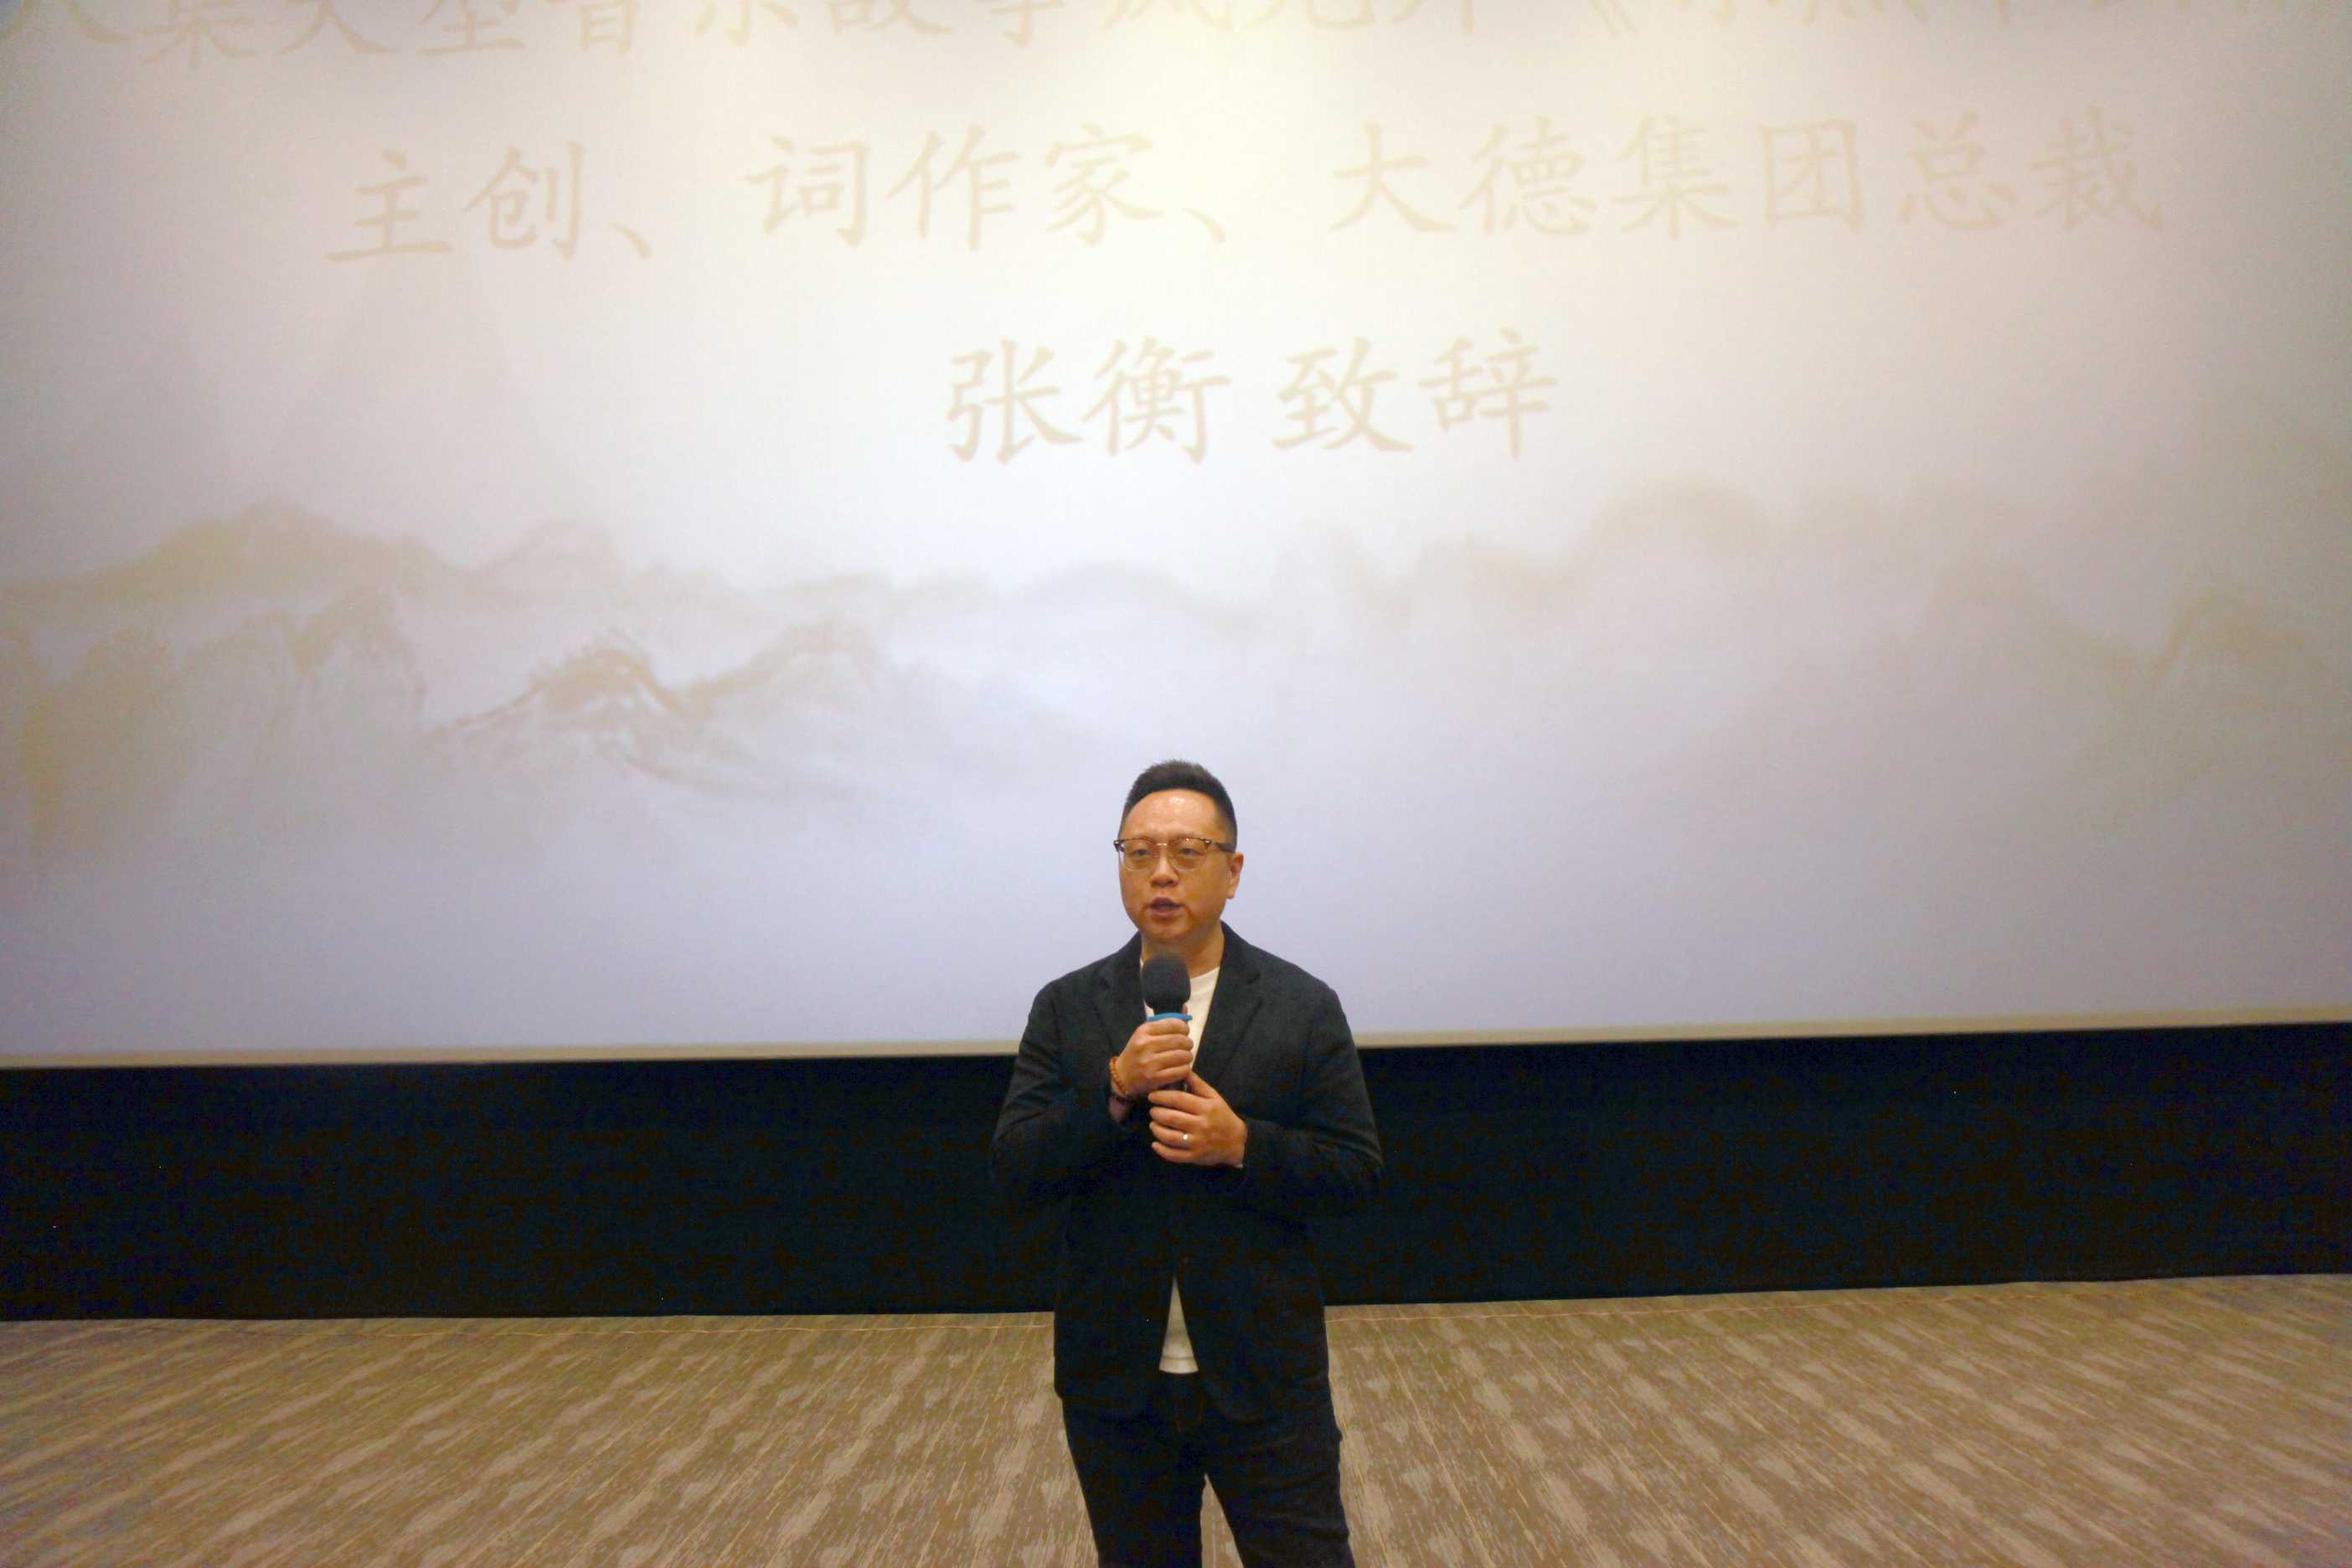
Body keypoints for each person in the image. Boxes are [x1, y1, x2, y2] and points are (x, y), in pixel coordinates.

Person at [991, 760, 1383, 1568]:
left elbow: (1355, 1171)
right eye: (1138, 853)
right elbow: (1019, 1167)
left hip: (1264, 1376)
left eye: (1187, 852)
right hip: (1116, 1379)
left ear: (1233, 872)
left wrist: (1243, 1146)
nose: (1160, 873)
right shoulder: (1068, 1006)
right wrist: (1113, 1087)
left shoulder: (1301, 1004)